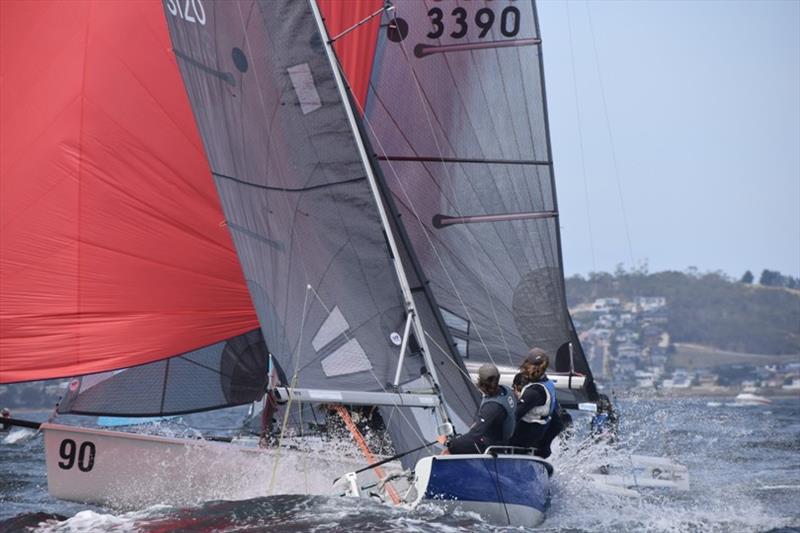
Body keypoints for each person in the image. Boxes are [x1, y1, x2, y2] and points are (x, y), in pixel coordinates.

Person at [447, 363, 516, 454]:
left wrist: (448, 443)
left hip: (491, 446)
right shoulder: (507, 390)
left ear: (480, 381)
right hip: (504, 439)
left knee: (453, 449)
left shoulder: (492, 407)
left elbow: (474, 436)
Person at [510, 348, 563, 457]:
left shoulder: (533, 392)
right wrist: (543, 446)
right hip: (535, 440)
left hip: (522, 441)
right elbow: (558, 424)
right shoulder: (548, 385)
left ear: (527, 363)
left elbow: (513, 416)